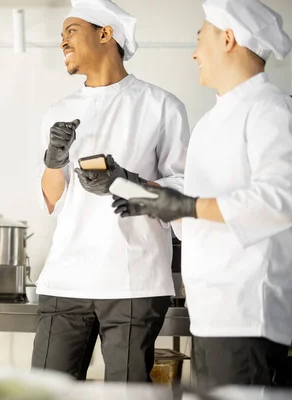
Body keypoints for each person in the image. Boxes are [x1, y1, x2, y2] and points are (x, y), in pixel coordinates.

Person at [114, 0, 292, 389]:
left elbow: (281, 200)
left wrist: (187, 206)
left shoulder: (271, 110)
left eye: (200, 40)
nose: (194, 53)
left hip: (249, 313)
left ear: (228, 39)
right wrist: (141, 191)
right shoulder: (212, 121)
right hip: (211, 311)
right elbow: (194, 207)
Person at [31, 0, 190, 382]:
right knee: (45, 391)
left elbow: (183, 190)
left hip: (132, 277)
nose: (63, 43)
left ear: (106, 34)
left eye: (71, 31)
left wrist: (128, 181)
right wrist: (55, 161)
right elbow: (54, 199)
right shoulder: (59, 110)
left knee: (126, 393)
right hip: (65, 278)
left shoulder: (161, 106)